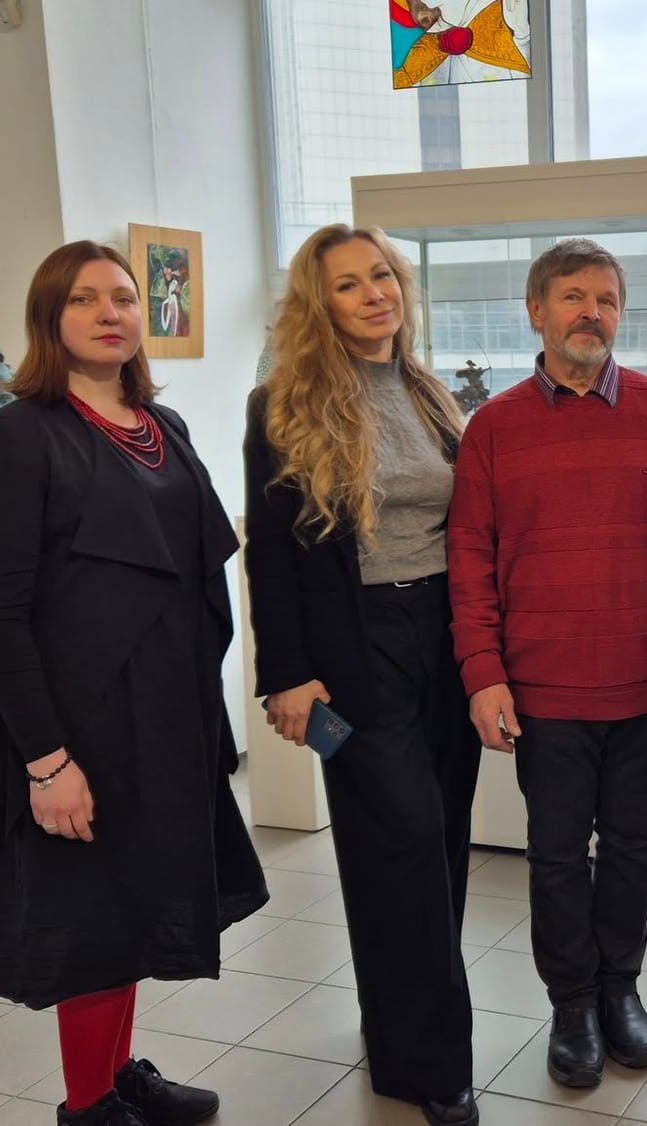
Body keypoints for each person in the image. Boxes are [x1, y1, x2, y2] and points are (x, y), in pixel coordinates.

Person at [0, 241, 269, 1126]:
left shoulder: (161, 427)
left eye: (125, 298)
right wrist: (48, 760)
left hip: (162, 714)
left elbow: (193, 573)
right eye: (84, 298)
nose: (110, 313)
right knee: (91, 921)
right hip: (76, 721)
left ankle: (116, 1072)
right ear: (48, 318)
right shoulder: (15, 436)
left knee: (134, 906)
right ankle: (88, 1107)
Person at [242, 223, 481, 1126]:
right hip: (354, 650)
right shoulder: (283, 404)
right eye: (348, 284)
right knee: (400, 844)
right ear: (320, 305)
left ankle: (400, 1027)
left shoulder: (428, 391)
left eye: (382, 276)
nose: (374, 293)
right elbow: (270, 553)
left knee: (442, 840)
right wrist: (286, 675)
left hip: (443, 637)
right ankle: (431, 1065)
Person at [447, 239, 647, 1088]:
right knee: (555, 856)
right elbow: (470, 558)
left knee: (630, 849)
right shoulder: (493, 427)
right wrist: (483, 671)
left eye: (607, 299)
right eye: (574, 297)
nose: (593, 312)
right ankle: (573, 1005)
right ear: (536, 311)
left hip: (646, 682)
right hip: (542, 689)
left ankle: (621, 990)